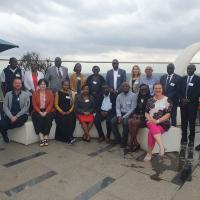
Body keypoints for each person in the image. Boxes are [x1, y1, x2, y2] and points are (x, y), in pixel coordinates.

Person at [144, 83, 172, 161]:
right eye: (156, 88)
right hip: (150, 121)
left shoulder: (167, 100)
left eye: (159, 88)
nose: (158, 90)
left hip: (163, 123)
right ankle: (162, 147)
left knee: (151, 133)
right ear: (153, 89)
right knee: (151, 123)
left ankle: (149, 153)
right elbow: (146, 112)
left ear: (162, 89)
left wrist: (157, 121)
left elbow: (168, 114)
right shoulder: (150, 100)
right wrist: (151, 119)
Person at [0, 78, 29, 143]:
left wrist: (16, 117)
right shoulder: (8, 94)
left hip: (21, 115)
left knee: (21, 120)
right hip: (10, 114)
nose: (17, 84)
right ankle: (4, 135)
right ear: (13, 84)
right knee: (1, 123)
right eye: (16, 83)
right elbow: (5, 106)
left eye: (19, 83)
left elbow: (26, 108)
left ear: (21, 85)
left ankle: (6, 127)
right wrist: (11, 117)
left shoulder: (26, 94)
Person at [178, 64, 200, 148]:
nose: (189, 70)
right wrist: (182, 98)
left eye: (191, 69)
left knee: (191, 123)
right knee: (183, 122)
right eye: (188, 68)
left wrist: (189, 99)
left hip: (192, 105)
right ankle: (184, 138)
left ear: (194, 69)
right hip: (183, 104)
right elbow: (179, 90)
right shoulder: (182, 79)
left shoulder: (198, 79)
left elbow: (198, 92)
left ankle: (191, 139)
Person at [111, 82, 137, 147]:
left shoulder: (133, 95)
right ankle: (118, 139)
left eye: (127, 86)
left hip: (129, 114)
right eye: (124, 86)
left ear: (129, 87)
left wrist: (123, 117)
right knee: (112, 121)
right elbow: (117, 107)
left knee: (125, 122)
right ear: (121, 88)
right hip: (121, 113)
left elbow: (133, 108)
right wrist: (119, 116)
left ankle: (124, 141)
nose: (125, 88)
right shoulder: (119, 96)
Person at [127, 84, 151, 152]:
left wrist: (141, 116)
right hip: (139, 117)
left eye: (145, 89)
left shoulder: (151, 98)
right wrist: (135, 114)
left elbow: (150, 111)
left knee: (135, 122)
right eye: (142, 89)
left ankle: (131, 142)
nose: (143, 91)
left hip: (146, 119)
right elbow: (136, 109)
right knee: (129, 121)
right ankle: (136, 143)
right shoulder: (139, 98)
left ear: (148, 90)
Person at [32, 79, 54, 147]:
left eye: (44, 84)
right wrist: (40, 112)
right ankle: (41, 136)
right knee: (38, 118)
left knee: (48, 118)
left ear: (46, 85)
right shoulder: (35, 93)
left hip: (48, 110)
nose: (43, 85)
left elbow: (51, 104)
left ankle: (46, 136)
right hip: (37, 110)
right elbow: (34, 105)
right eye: (41, 84)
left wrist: (46, 112)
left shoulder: (50, 92)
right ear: (38, 85)